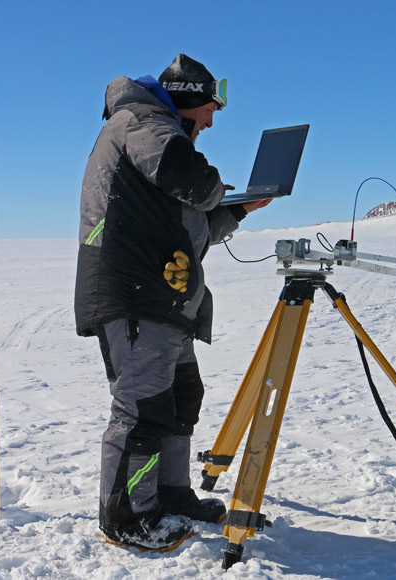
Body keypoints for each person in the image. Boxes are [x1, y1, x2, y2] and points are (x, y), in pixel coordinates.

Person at [74, 54, 271, 552]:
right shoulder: (145, 123)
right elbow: (195, 182)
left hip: (163, 298)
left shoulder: (159, 134)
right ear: (185, 100)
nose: (211, 120)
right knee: (141, 409)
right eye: (208, 108)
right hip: (135, 293)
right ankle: (126, 516)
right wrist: (218, 189)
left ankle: (170, 495)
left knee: (181, 397)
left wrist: (241, 208)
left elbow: (193, 227)